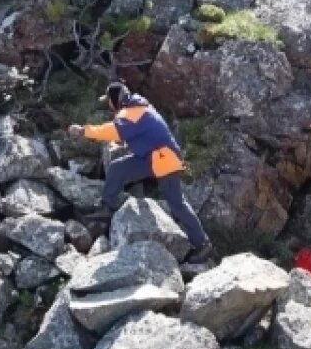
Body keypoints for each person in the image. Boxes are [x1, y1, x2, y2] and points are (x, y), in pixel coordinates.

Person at [68, 82, 213, 263]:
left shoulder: (132, 113)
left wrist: (84, 131)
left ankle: (202, 243)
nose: (109, 105)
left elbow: (113, 131)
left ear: (116, 100)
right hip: (152, 157)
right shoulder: (138, 108)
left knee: (177, 204)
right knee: (117, 167)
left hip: (163, 160)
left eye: (109, 101)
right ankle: (110, 204)